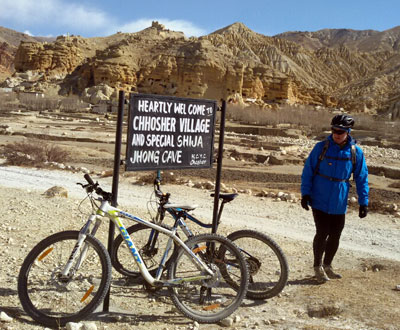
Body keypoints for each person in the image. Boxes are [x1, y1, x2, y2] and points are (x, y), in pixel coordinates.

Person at [301, 114, 369, 284]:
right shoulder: (321, 147)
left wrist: (364, 202)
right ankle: (317, 267)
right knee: (322, 232)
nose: (337, 134)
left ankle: (328, 265)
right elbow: (308, 170)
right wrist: (305, 193)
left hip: (339, 200)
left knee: (336, 234)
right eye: (334, 130)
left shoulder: (355, 152)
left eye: (341, 131)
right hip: (319, 197)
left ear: (348, 131)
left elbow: (361, 177)